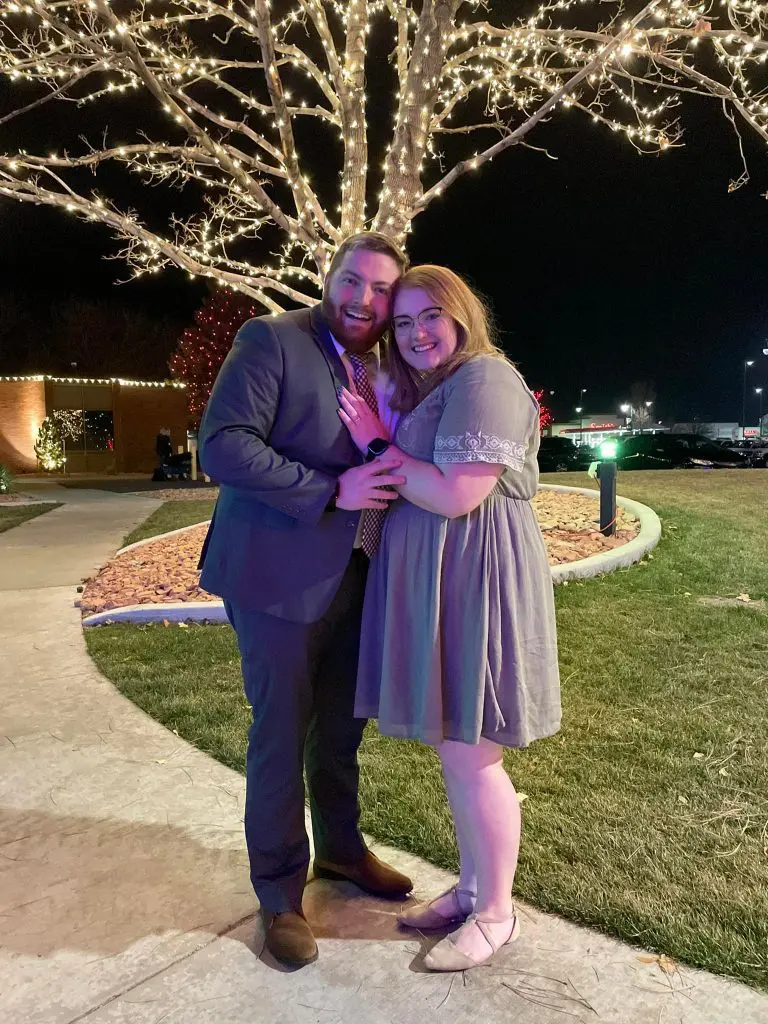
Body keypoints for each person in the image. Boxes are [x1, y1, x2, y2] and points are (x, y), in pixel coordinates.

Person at [197, 232, 413, 970]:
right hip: (276, 576)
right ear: (330, 276)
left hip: (359, 573)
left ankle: (342, 851)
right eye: (353, 280)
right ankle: (280, 893)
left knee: (342, 729)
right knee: (282, 732)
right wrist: (329, 491)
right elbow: (224, 444)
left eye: (381, 289)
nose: (363, 299)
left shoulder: (385, 364)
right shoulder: (273, 339)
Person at [338, 265, 561, 973]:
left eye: (430, 316)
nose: (416, 334)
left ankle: (497, 913)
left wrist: (377, 443)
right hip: (446, 578)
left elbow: (457, 495)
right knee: (456, 747)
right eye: (403, 323)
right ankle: (471, 890)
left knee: (473, 749)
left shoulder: (486, 379)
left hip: (475, 578)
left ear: (462, 313)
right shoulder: (443, 386)